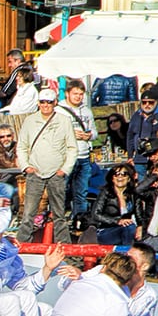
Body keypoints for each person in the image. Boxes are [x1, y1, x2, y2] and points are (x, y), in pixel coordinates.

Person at [16, 89, 77, 244]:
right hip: (35, 173)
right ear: (38, 103)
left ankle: (65, 248)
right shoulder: (30, 121)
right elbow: (21, 147)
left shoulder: (64, 121)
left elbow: (72, 148)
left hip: (56, 174)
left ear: (55, 103)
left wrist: (64, 170)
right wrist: (26, 167)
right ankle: (22, 246)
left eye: (49, 102)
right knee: (28, 213)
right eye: (42, 102)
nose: (45, 105)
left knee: (59, 214)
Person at [57, 79, 96, 222]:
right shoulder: (59, 111)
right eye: (75, 94)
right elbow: (54, 134)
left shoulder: (86, 111)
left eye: (80, 94)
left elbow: (95, 133)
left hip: (84, 157)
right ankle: (59, 222)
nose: (78, 97)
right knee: (62, 192)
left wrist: (89, 135)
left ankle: (80, 222)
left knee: (81, 193)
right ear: (67, 94)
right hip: (66, 157)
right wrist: (71, 133)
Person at [83, 164, 138, 245]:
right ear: (112, 178)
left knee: (131, 227)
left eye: (124, 174)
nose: (120, 177)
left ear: (129, 178)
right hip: (106, 231)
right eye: (116, 174)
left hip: (127, 229)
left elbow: (139, 214)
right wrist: (117, 221)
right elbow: (96, 214)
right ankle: (128, 254)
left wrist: (140, 227)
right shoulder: (105, 193)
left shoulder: (133, 194)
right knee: (129, 227)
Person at [127, 92, 158, 173]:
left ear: (156, 102)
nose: (147, 105)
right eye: (144, 102)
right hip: (139, 159)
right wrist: (130, 156)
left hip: (157, 159)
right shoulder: (136, 115)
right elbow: (130, 136)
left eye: (151, 102)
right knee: (141, 184)